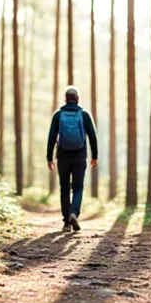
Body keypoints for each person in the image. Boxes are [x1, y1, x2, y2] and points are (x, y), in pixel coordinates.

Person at [46, 86, 98, 232]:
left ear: (65, 98)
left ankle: (66, 223)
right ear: (77, 99)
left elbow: (51, 137)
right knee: (78, 187)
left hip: (62, 156)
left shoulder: (58, 114)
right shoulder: (84, 114)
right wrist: (95, 156)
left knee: (64, 188)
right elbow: (93, 136)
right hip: (80, 156)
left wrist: (49, 157)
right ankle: (74, 213)